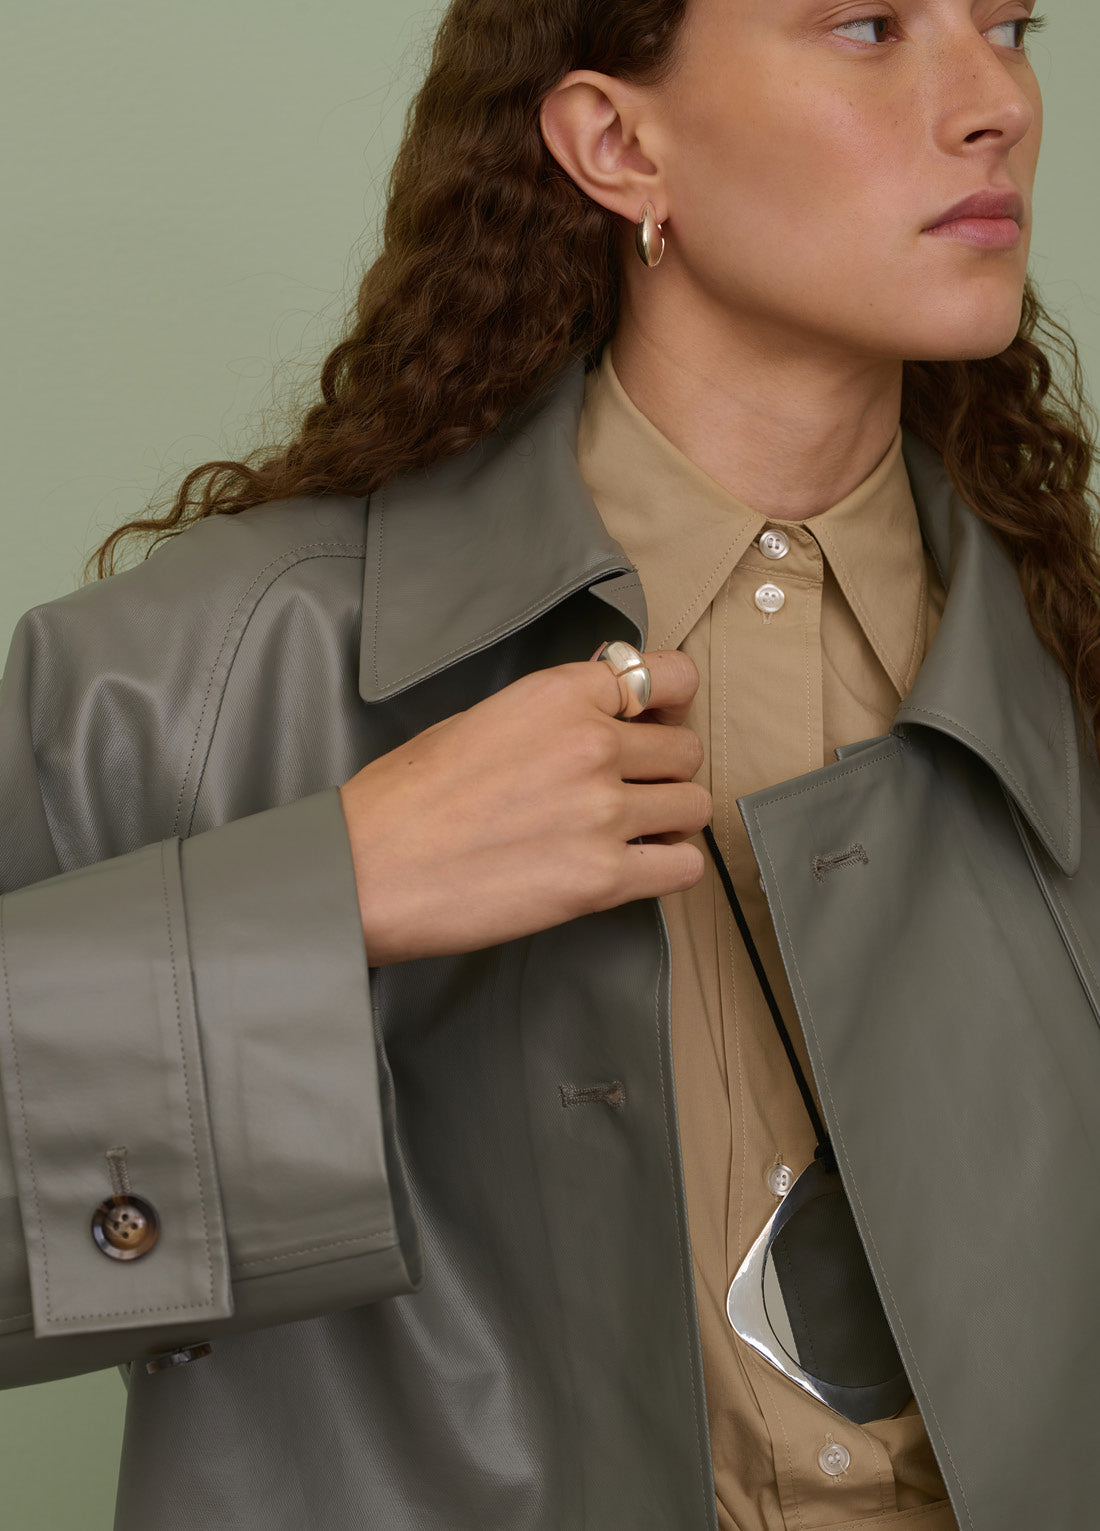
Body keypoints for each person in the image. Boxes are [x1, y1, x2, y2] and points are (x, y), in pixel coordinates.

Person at [1, 1, 1097, 1529]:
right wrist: (327, 894)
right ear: (617, 143)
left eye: (1010, 25)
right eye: (869, 26)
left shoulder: (1067, 668)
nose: (997, 104)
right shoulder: (189, 682)